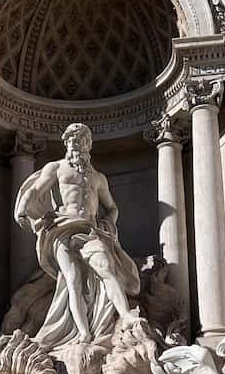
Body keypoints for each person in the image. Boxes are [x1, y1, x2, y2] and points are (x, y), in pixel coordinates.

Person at [14, 123, 141, 348]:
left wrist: (108, 224)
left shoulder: (98, 178)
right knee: (72, 280)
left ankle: (126, 315)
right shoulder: (57, 168)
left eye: (80, 140)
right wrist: (22, 208)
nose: (75, 144)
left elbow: (112, 207)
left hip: (89, 230)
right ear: (66, 143)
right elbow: (35, 191)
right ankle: (83, 333)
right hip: (61, 229)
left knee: (106, 269)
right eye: (72, 140)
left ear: (87, 145)